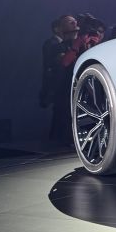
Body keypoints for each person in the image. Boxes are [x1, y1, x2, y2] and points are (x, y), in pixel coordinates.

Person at [40, 15, 79, 145]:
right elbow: (56, 64)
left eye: (75, 22)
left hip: (65, 83)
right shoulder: (52, 44)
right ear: (58, 29)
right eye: (70, 22)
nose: (75, 25)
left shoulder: (69, 43)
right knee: (61, 113)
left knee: (61, 114)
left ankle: (57, 141)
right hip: (59, 84)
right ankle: (56, 142)